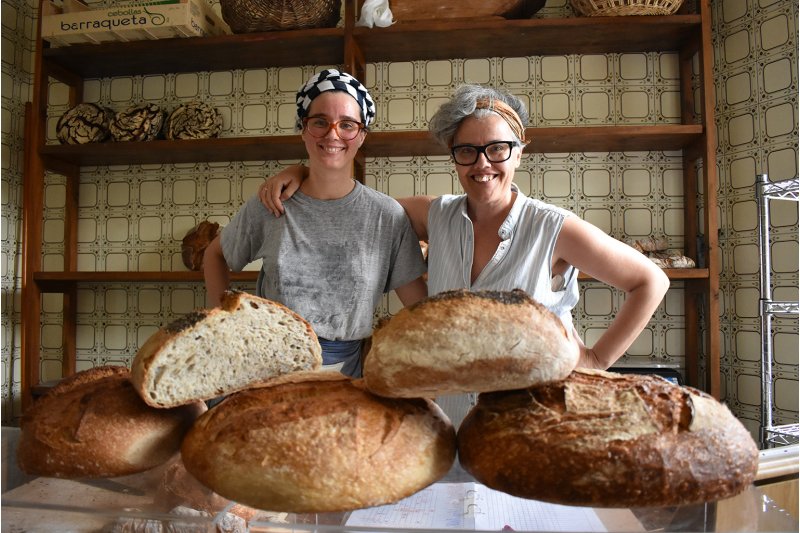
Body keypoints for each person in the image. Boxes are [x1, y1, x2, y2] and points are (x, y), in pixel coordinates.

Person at [258, 84, 670, 371]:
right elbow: (358, 205)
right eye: (467, 151)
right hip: (452, 410)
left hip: (530, 409)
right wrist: (302, 171)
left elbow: (650, 281)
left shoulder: (554, 228)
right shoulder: (437, 216)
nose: (482, 164)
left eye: (498, 149)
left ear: (520, 152)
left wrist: (596, 360)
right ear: (454, 157)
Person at [204, 69, 428, 378]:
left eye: (347, 125)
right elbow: (214, 255)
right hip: (268, 369)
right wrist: (223, 326)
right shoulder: (273, 203)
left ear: (361, 136)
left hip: (346, 374)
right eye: (320, 122)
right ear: (303, 129)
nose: (332, 134)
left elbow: (419, 309)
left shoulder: (386, 216)